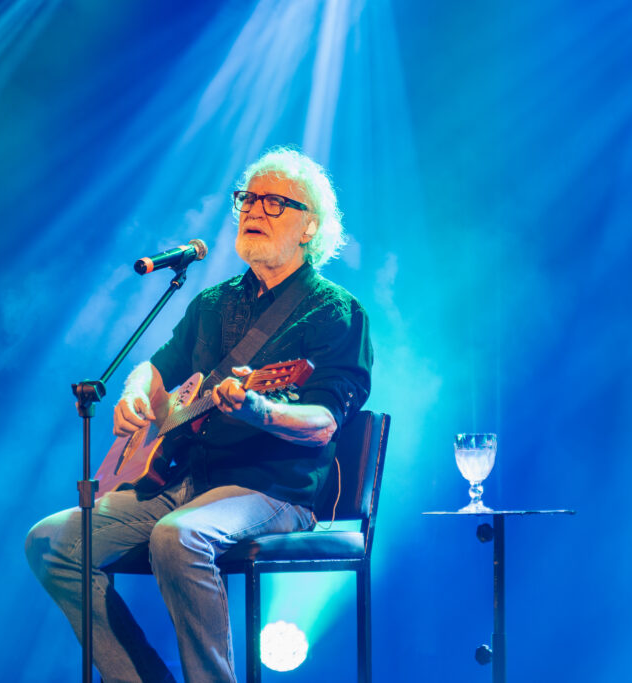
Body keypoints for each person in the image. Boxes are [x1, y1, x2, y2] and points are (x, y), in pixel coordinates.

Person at [25, 148, 373, 682]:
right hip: (179, 479)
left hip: (270, 489)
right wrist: (136, 393)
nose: (254, 210)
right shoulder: (212, 301)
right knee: (52, 542)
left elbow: (326, 421)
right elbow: (156, 367)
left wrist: (259, 407)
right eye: (248, 198)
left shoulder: (335, 311)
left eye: (274, 202)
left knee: (178, 536)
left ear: (310, 226)